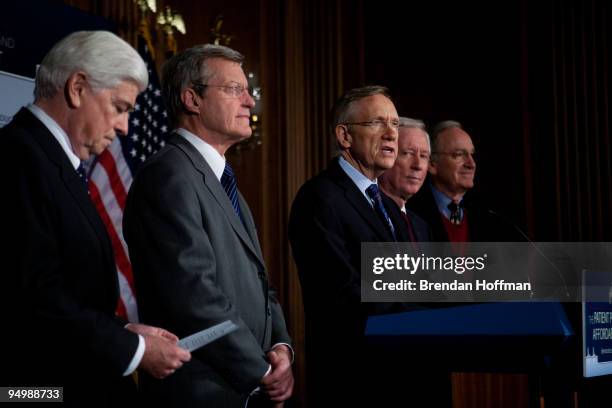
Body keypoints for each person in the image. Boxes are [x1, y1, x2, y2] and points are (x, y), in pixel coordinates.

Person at [0, 31, 191, 406]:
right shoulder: (17, 158)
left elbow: (71, 291)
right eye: (120, 107)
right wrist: (133, 349)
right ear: (78, 88)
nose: (124, 127)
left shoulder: (52, 163)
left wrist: (124, 329)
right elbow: (33, 300)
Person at [123, 44, 294, 407]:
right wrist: (260, 371)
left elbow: (261, 283)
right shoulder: (168, 175)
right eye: (235, 90)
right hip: (201, 391)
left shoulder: (222, 181)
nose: (250, 102)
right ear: (192, 99)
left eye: (248, 92)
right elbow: (194, 297)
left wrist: (281, 346)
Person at [288, 86, 431, 405]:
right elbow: (344, 294)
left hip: (409, 376)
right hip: (356, 382)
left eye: (394, 124)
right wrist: (427, 316)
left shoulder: (389, 207)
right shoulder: (319, 198)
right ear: (345, 136)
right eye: (377, 123)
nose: (391, 134)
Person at [407, 120, 522, 242]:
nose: (471, 164)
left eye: (472, 154)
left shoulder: (488, 214)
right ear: (432, 164)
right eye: (459, 155)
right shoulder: (412, 212)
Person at [378, 116, 431, 237]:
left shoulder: (422, 228)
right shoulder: (369, 215)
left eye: (423, 156)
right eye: (407, 153)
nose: (417, 165)